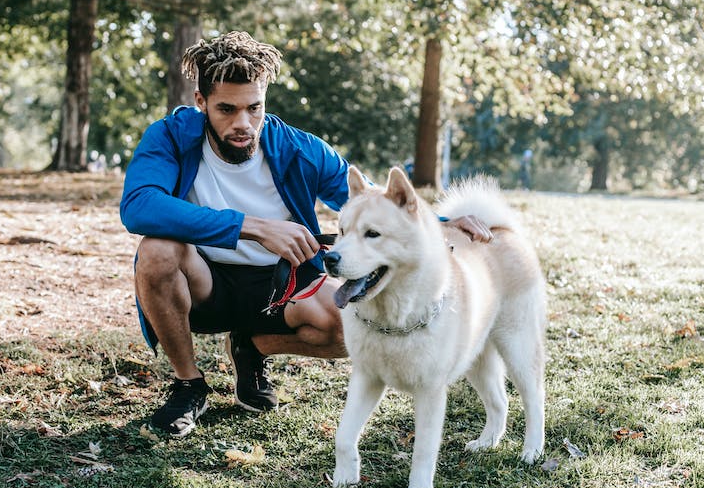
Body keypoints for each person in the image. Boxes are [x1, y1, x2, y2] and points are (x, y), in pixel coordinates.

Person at [120, 31, 492, 437]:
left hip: (281, 286)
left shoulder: (300, 148)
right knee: (156, 251)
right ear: (201, 102)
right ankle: (189, 385)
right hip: (204, 282)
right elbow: (139, 205)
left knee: (345, 324)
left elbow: (371, 197)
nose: (242, 123)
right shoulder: (171, 137)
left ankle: (252, 346)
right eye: (226, 109)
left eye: (253, 108)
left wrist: (440, 223)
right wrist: (252, 227)